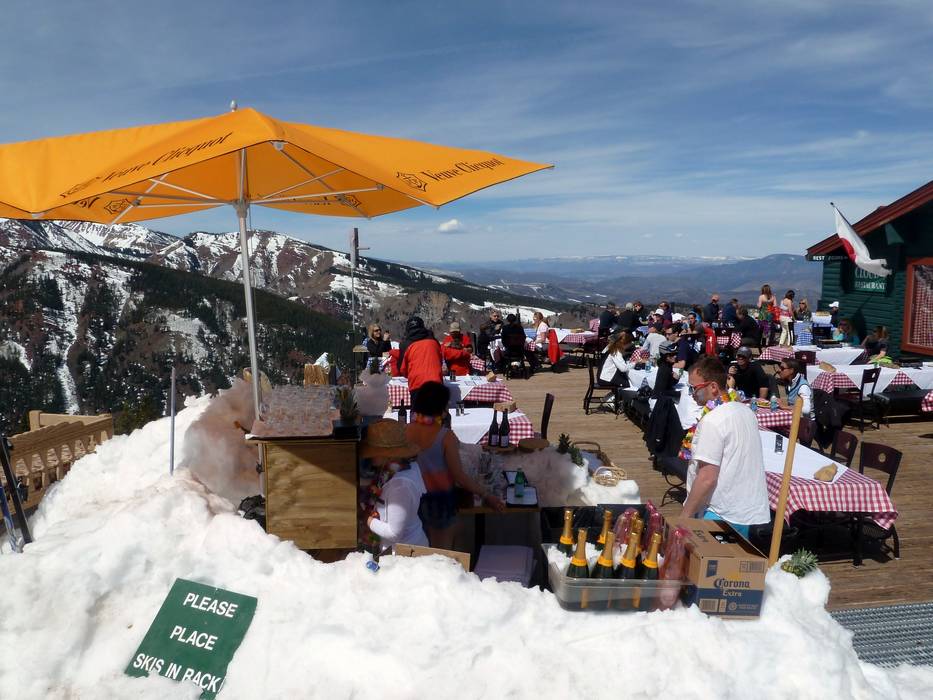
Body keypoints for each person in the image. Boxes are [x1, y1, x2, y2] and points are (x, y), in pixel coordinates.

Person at [680, 356, 770, 538]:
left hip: (721, 514)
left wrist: (684, 518)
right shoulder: (745, 411)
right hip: (748, 511)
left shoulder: (713, 420)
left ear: (713, 387)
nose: (692, 394)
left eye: (694, 388)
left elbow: (707, 478)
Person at [406, 382, 505, 549]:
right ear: (442, 408)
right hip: (440, 503)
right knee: (441, 554)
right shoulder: (446, 436)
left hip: (413, 500)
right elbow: (459, 476)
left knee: (418, 551)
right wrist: (486, 494)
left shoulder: (405, 431)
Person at [362, 419, 429, 550]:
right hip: (404, 550)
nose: (370, 456)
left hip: (407, 554)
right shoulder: (405, 468)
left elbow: (394, 533)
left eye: (374, 452)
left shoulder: (400, 486)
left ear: (388, 455)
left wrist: (367, 519)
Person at [399, 316, 443, 397]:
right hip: (436, 382)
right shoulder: (434, 341)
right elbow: (440, 361)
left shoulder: (405, 344)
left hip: (417, 384)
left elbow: (402, 369)